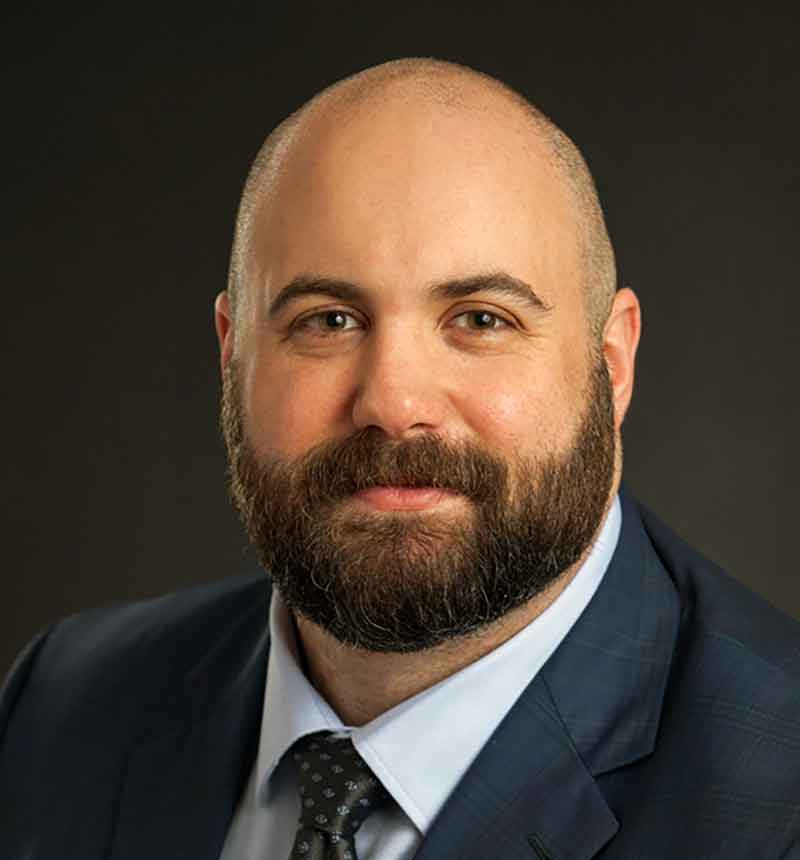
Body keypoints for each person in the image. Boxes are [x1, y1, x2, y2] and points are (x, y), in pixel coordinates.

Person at [2, 57, 799, 860]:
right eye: (329, 321)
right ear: (232, 354)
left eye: (481, 320)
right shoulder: (63, 708)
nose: (393, 403)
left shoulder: (777, 799)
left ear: (613, 364)